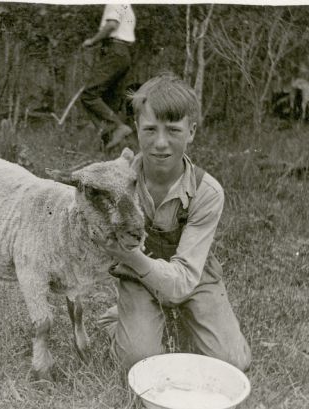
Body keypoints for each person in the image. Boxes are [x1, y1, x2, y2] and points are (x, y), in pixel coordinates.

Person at [96, 72, 252, 372]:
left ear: (191, 131)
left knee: (233, 362)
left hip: (192, 277)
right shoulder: (118, 180)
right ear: (136, 128)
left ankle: (170, 315)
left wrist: (131, 256)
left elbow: (182, 281)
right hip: (138, 277)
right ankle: (122, 317)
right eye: (150, 129)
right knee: (137, 362)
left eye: (174, 130)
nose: (160, 143)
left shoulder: (207, 191)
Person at [81, 4, 135, 150]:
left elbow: (112, 24)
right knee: (108, 101)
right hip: (122, 53)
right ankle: (109, 151)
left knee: (89, 94)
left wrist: (92, 41)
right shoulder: (126, 6)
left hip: (115, 51)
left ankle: (118, 127)